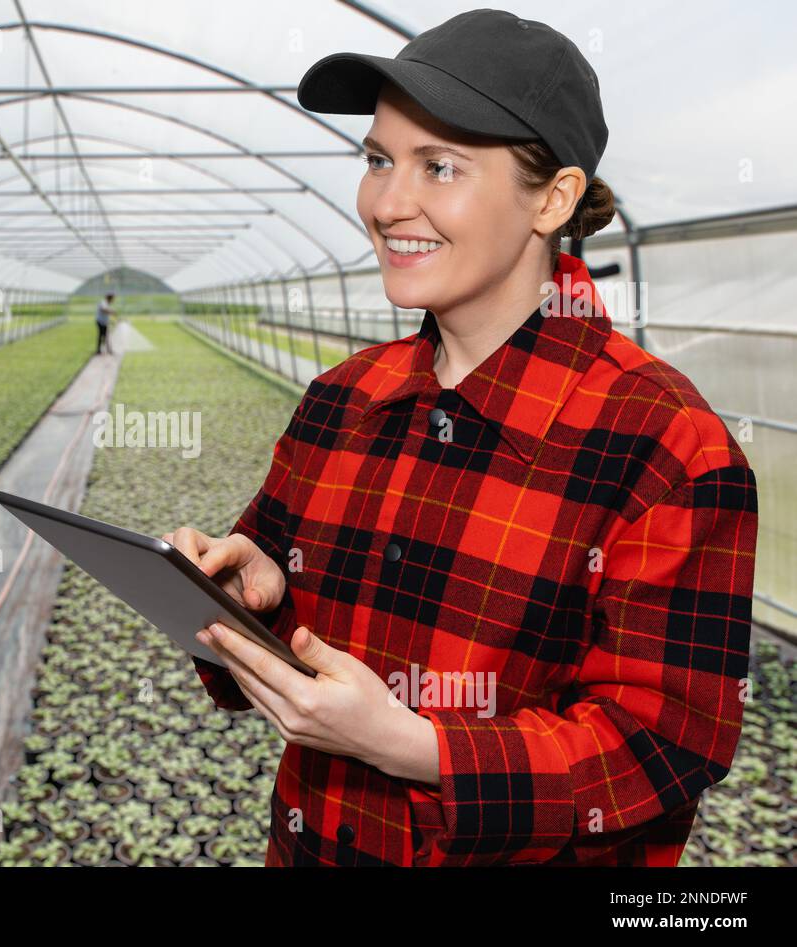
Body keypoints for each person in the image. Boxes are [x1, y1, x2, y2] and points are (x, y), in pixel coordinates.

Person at [167, 9, 758, 867]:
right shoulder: (342, 400)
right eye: (377, 160)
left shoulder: (666, 445)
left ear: (552, 198)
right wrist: (253, 591)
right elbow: (305, 637)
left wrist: (414, 747)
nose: (387, 202)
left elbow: (663, 747)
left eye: (439, 167)